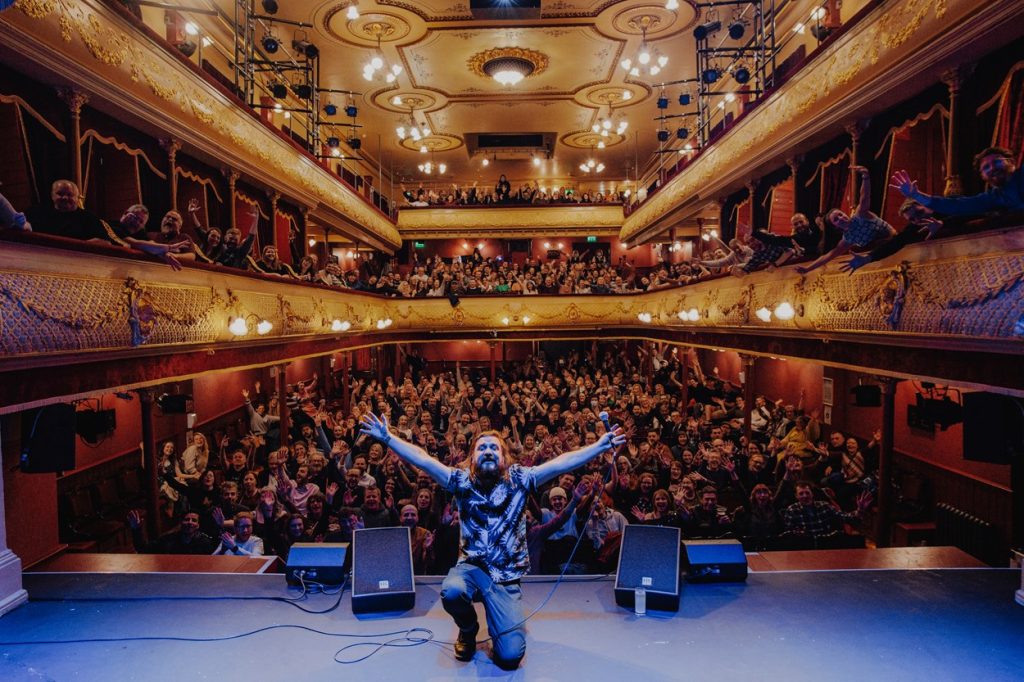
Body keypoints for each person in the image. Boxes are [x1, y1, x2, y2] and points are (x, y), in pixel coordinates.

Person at [359, 411, 625, 671]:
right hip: (472, 570)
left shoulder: (521, 479)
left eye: (494, 448)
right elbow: (425, 460)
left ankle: (501, 619)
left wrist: (598, 446)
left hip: (505, 579)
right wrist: (389, 438)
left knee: (510, 657)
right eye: (481, 447)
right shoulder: (460, 481)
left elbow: (561, 463)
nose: (487, 450)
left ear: (504, 457)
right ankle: (468, 628)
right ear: (471, 458)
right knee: (452, 591)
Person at [796, 166, 896, 274]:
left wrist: (865, 177)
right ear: (835, 226)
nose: (841, 218)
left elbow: (864, 196)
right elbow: (829, 256)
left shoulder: (860, 215)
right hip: (880, 254)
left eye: (840, 214)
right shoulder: (848, 238)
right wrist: (808, 269)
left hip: (893, 241)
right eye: (836, 219)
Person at [890, 146, 1023, 217]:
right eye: (986, 167)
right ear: (983, 176)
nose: (993, 168)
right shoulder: (993, 197)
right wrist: (917, 195)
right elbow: (959, 205)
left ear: (1011, 162)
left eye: (997, 162)